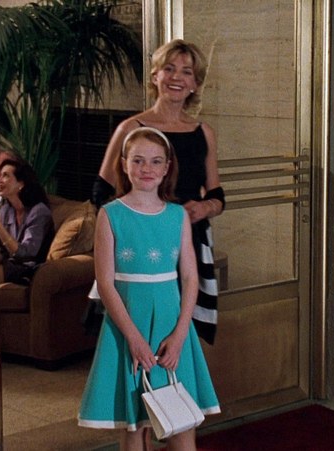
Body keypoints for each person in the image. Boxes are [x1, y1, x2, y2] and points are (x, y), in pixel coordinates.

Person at [78, 127, 220, 451]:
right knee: (134, 425)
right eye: (138, 160)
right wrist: (134, 339)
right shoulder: (110, 214)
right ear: (124, 163)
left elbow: (190, 278)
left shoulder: (177, 215)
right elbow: (105, 283)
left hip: (172, 328)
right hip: (127, 329)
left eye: (156, 161)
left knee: (181, 421)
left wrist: (180, 334)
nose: (147, 168)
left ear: (167, 167)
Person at [91, 39, 225, 344]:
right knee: (137, 333)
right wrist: (140, 220)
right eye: (169, 69)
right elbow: (101, 192)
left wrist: (204, 208)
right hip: (138, 245)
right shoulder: (130, 128)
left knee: (185, 334)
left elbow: (217, 195)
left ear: (195, 83)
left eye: (187, 72)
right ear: (155, 76)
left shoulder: (204, 132)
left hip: (190, 240)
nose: (177, 77)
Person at [0, 159, 54, 285]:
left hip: (29, 268)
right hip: (10, 263)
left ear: (21, 184)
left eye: (5, 175)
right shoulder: (5, 210)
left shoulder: (39, 212)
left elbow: (26, 253)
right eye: (0, 176)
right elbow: (0, 249)